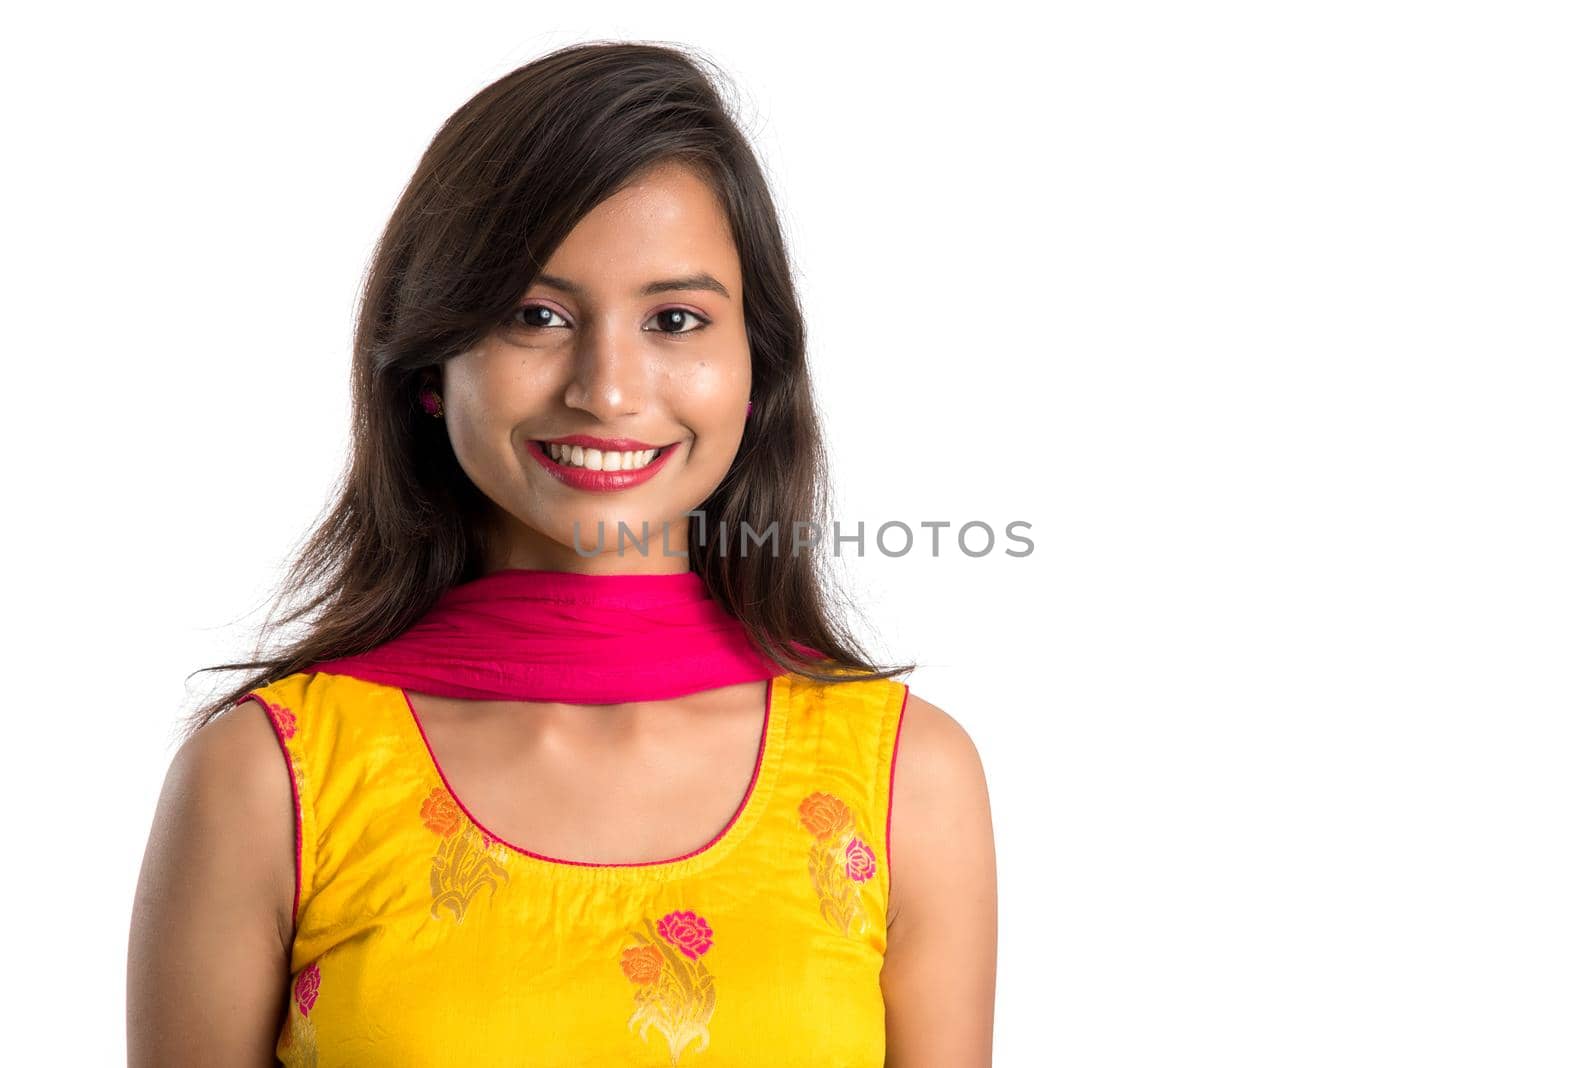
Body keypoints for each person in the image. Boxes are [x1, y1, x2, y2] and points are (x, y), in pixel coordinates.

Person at [127, 40, 996, 1067]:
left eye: (675, 319)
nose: (608, 389)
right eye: (536, 316)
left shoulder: (903, 778)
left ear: (754, 371)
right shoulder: (266, 778)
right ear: (429, 366)